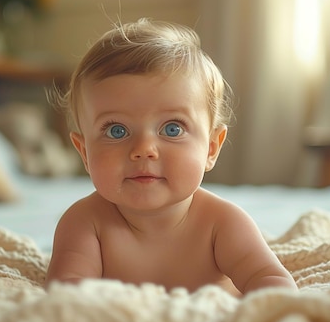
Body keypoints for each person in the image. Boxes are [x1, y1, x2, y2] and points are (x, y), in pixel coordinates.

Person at [45, 18, 297, 296]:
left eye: (172, 128)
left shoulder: (222, 223)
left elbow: (273, 284)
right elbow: (65, 300)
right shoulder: (84, 223)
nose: (144, 148)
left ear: (211, 147)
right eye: (117, 130)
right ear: (84, 152)